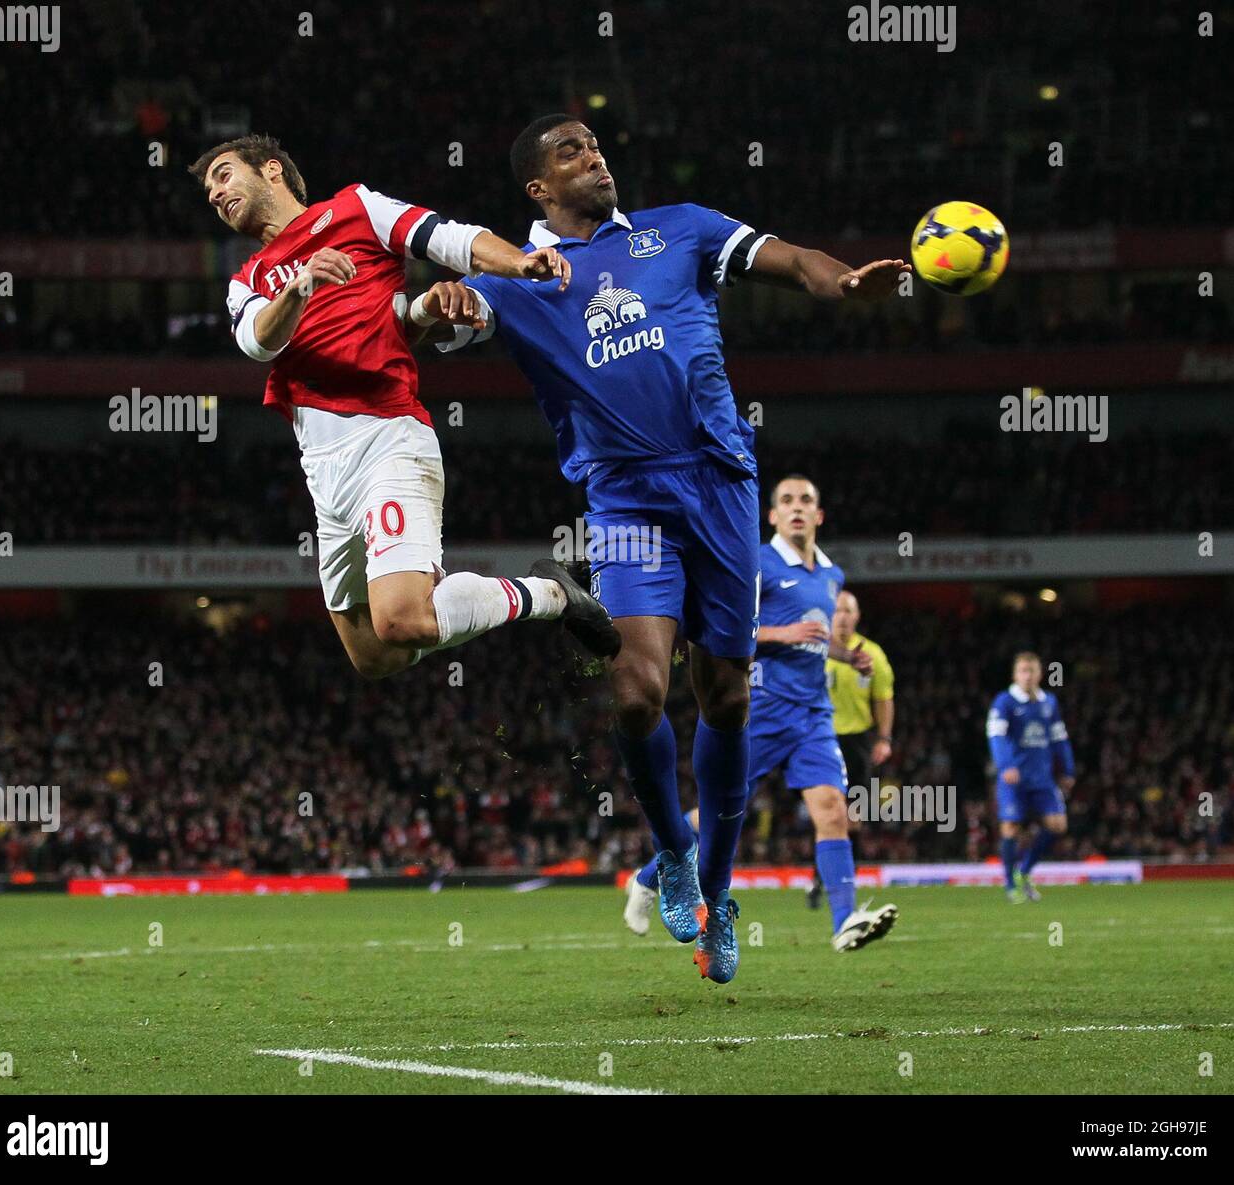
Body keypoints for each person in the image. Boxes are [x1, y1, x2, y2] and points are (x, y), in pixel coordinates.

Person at [424, 115, 907, 982]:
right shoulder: (516, 278)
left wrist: (844, 284)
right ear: (537, 188)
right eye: (570, 150)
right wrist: (437, 303)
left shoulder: (679, 229)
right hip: (624, 499)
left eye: (596, 144)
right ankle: (674, 852)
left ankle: (717, 896)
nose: (595, 156)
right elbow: (434, 324)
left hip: (723, 488)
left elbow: (794, 261)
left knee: (723, 699)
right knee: (638, 687)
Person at [188, 134, 619, 681]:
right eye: (207, 189)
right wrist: (305, 287)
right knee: (374, 655)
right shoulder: (246, 281)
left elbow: (450, 238)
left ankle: (551, 593)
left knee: (404, 622)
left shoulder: (356, 208)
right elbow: (257, 342)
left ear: (271, 170)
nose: (215, 193)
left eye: (223, 175)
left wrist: (519, 263)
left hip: (387, 440)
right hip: (324, 474)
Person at [626, 476, 898, 952]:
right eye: (786, 501)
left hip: (814, 714)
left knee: (833, 810)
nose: (797, 508)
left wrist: (843, 653)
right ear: (771, 515)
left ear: (819, 515)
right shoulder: (759, 565)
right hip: (763, 710)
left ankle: (844, 920)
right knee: (716, 813)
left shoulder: (831, 575)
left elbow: (812, 637)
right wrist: (784, 634)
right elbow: (728, 631)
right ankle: (650, 877)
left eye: (806, 501)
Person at [818, 590, 895, 908]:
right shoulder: (817, 649)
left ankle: (837, 878)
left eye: (849, 610)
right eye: (838, 610)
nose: (843, 616)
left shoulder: (873, 654)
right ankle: (822, 879)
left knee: (853, 818)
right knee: (828, 810)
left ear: (858, 615)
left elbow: (883, 698)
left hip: (859, 741)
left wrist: (884, 738)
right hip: (822, 738)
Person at [986, 651, 1075, 902]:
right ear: (1015, 675)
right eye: (1023, 671)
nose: (1027, 676)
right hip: (1013, 778)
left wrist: (1067, 769)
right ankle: (1010, 886)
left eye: (1032, 670)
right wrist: (1005, 765)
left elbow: (1059, 738)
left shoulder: (1049, 702)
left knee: (1058, 826)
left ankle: (1023, 871)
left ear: (1040, 674)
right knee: (1011, 827)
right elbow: (996, 735)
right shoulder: (1004, 702)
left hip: (1042, 778)